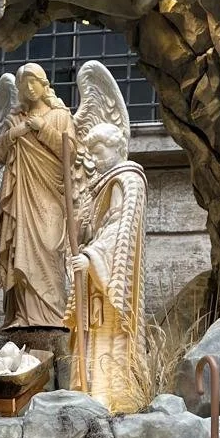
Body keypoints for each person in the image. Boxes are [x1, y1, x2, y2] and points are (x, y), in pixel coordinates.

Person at [65, 122, 148, 412]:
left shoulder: (128, 180)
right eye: (90, 152)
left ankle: (112, 397)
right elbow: (97, 227)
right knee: (96, 330)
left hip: (110, 274)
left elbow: (119, 228)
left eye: (98, 151)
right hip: (97, 277)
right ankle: (92, 393)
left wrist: (91, 256)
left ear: (117, 148)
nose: (93, 159)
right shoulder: (103, 184)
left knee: (111, 332)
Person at [0, 64, 73, 329]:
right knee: (21, 247)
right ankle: (23, 316)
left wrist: (43, 129)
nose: (29, 88)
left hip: (50, 194)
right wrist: (14, 134)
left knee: (49, 247)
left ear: (43, 83)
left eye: (33, 81)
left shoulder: (60, 116)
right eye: (24, 84)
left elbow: (70, 153)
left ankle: (53, 314)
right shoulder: (15, 119)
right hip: (21, 196)